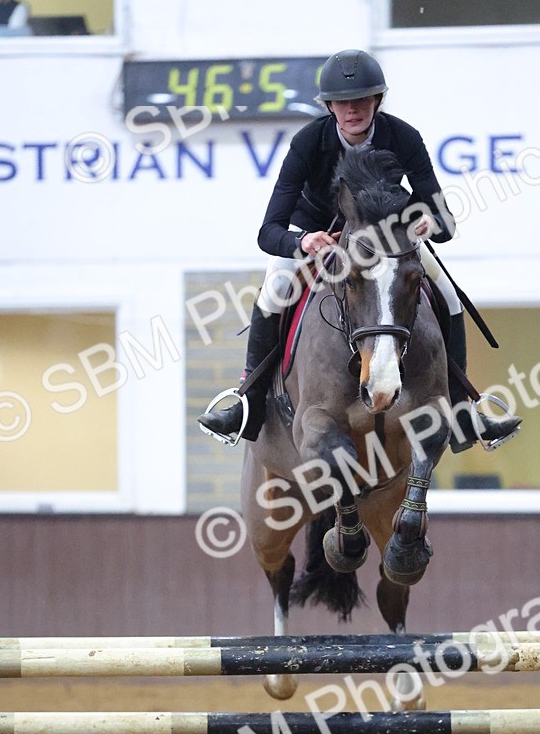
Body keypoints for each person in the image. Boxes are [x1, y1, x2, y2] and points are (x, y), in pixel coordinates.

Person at [198, 48, 522, 453]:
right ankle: (248, 403)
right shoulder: (308, 142)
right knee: (274, 291)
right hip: (320, 234)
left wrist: (430, 222)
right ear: (329, 107)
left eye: (361, 100)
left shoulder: (403, 136)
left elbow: (445, 222)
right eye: (342, 102)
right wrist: (302, 241)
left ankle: (461, 410)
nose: (352, 110)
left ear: (377, 100)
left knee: (449, 296)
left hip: (386, 239)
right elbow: (269, 231)